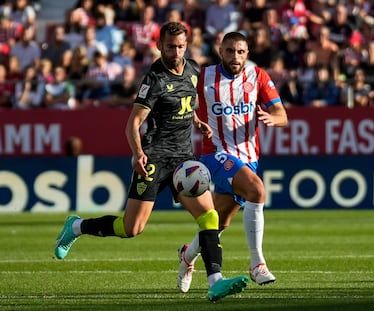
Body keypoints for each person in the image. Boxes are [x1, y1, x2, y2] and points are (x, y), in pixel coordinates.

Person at [54, 22, 249, 302]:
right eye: (170, 46)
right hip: (155, 159)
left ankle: (215, 281)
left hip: (183, 160)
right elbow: (132, 125)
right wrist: (138, 152)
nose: (176, 51)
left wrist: (197, 121)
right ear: (159, 46)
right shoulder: (154, 79)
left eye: (181, 46)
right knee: (131, 228)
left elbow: (185, 104)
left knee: (210, 216)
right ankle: (76, 227)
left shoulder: (193, 70)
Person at [177, 31, 288, 293]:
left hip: (249, 158)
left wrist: (274, 119)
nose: (235, 56)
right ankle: (257, 263)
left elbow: (282, 114)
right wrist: (194, 120)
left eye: (240, 52)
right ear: (220, 51)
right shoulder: (203, 76)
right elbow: (178, 100)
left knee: (216, 223)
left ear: (247, 53)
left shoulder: (258, 76)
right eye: (230, 51)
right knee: (257, 190)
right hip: (216, 154)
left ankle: (187, 256)